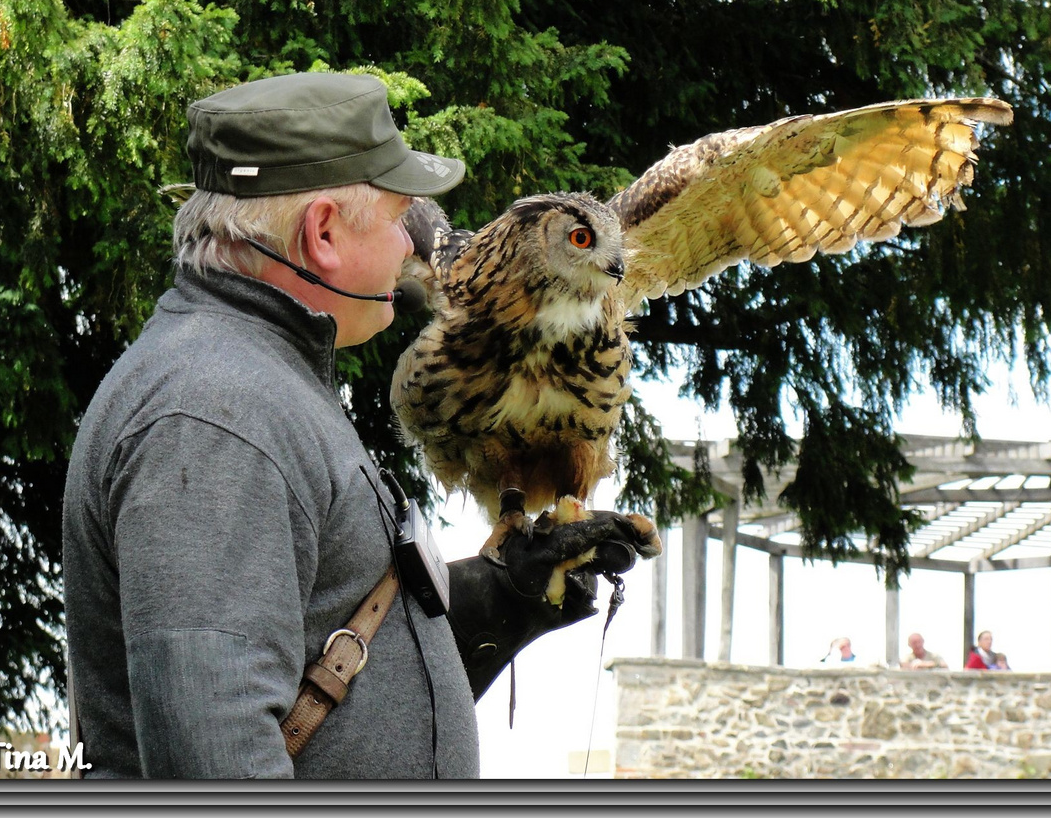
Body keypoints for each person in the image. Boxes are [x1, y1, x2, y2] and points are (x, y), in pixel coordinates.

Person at [62, 73, 651, 778]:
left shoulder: (260, 377)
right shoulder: (213, 416)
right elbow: (216, 762)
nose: (412, 245)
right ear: (323, 232)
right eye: (400, 216)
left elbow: (330, 663)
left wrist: (506, 592)